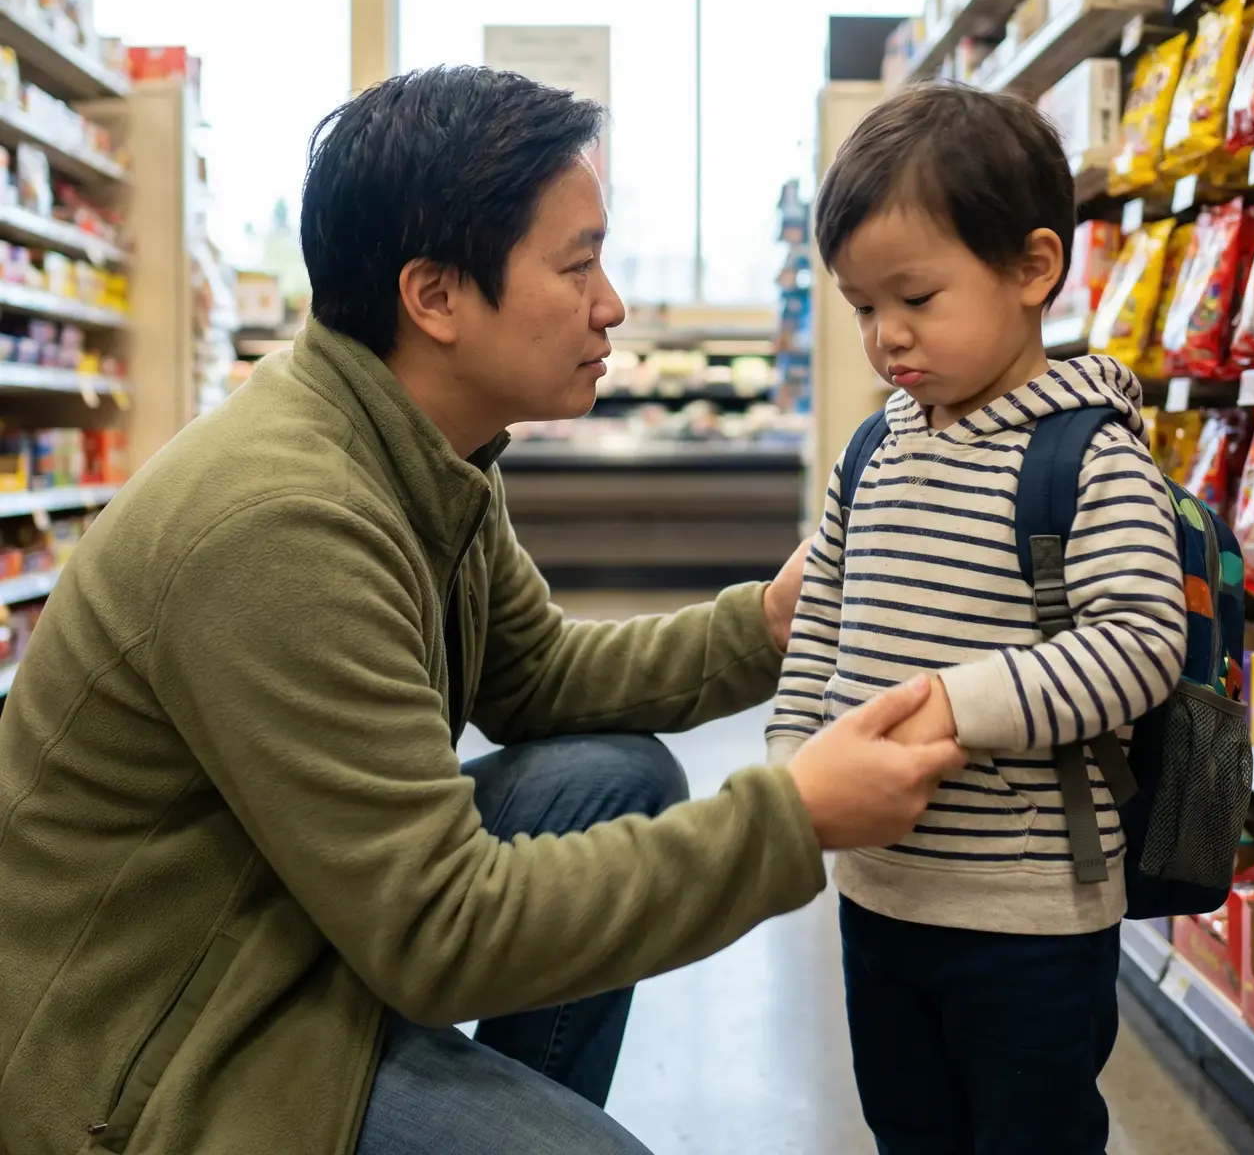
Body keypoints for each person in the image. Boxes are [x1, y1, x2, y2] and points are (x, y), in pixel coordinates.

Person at [0, 66, 968, 1155]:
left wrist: (771, 624)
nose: (611, 304)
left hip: (276, 921)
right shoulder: (281, 522)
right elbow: (441, 929)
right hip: (150, 1053)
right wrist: (796, 815)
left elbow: (535, 679)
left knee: (615, 780)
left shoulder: (420, 444)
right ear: (436, 297)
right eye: (577, 264)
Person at [765, 83, 1189, 1155]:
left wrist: (963, 701)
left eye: (915, 297)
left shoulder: (1085, 455)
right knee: (908, 1124)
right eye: (864, 307)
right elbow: (824, 619)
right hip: (881, 893)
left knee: (1028, 1132)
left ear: (1033, 269)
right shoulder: (873, 452)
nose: (886, 336)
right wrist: (787, 772)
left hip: (1029, 911)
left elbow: (1140, 643)